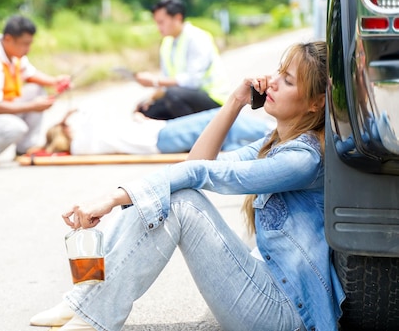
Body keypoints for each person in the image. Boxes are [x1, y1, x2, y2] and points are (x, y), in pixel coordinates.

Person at [30, 41, 345, 331]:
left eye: (288, 81)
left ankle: (90, 314)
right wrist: (235, 102)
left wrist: (114, 198)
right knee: (169, 194)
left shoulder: (304, 159)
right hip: (268, 288)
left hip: (284, 313)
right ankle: (83, 301)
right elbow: (198, 161)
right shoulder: (275, 142)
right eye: (278, 71)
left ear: (317, 103)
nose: (272, 81)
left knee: (179, 202)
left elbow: (200, 174)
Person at [0, 15, 70, 165]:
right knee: (16, 128)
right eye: (24, 44)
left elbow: (30, 74)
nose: (27, 49)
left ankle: (24, 150)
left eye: (30, 44)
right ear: (9, 39)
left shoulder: (12, 54)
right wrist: (33, 106)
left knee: (37, 90)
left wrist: (55, 81)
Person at [135, 0, 231, 120]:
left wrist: (155, 81)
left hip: (213, 99)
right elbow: (167, 84)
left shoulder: (197, 38)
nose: (158, 27)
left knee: (173, 95)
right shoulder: (167, 43)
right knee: (146, 110)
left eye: (161, 22)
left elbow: (192, 82)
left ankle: (196, 136)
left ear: (178, 18)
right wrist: (149, 99)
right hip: (183, 96)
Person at [43, 107, 273, 155]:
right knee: (218, 117)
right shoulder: (81, 143)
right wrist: (67, 117)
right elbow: (87, 113)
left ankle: (265, 141)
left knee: (221, 130)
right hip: (160, 137)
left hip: (159, 132)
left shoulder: (86, 139)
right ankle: (269, 130)